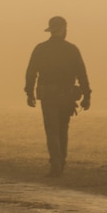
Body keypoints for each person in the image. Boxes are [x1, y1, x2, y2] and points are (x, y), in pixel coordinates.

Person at [25, 15, 91, 176]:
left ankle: (56, 164)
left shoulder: (40, 49)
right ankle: (61, 162)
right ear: (62, 29)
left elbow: (31, 72)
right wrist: (87, 95)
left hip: (48, 95)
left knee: (52, 131)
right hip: (66, 96)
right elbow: (82, 74)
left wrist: (30, 93)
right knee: (63, 130)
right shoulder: (71, 49)